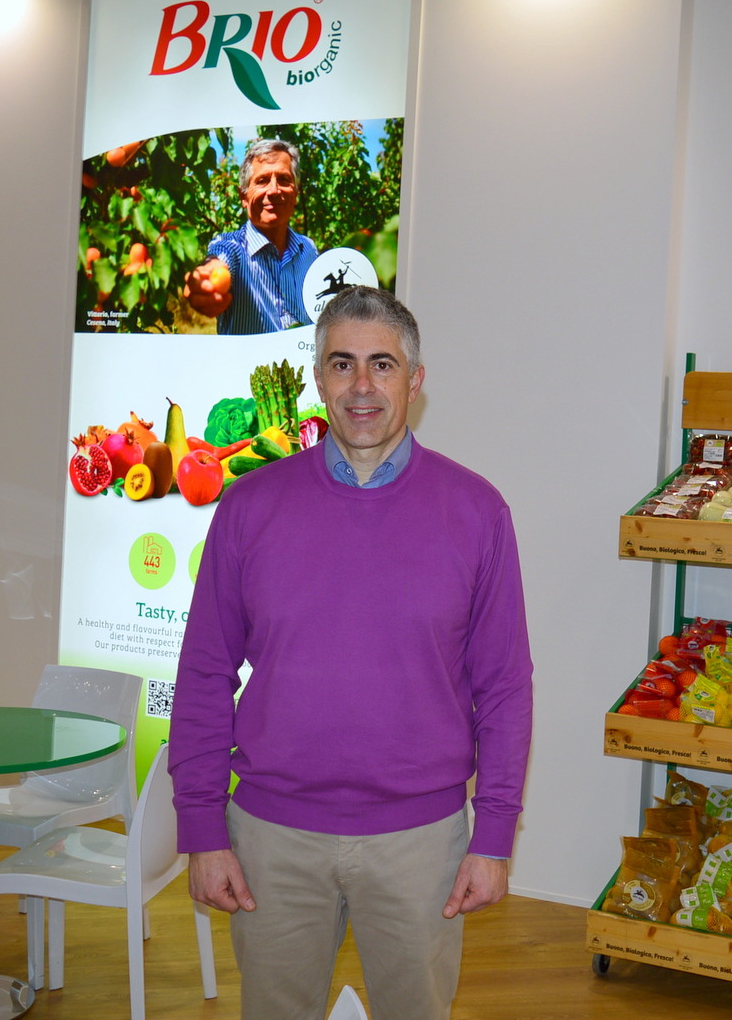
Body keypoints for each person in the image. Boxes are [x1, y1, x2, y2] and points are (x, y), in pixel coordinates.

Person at [168, 285, 533, 1020]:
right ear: (318, 378)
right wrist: (202, 829)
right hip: (271, 838)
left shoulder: (477, 512)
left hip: (421, 843)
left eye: (382, 365)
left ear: (414, 380)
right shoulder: (249, 506)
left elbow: (504, 686)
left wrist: (493, 836)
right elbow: (204, 672)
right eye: (342, 364)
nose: (362, 385)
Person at [182, 138, 319, 334]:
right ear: (243, 197)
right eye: (262, 181)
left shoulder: (309, 250)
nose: (273, 190)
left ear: (296, 193)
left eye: (283, 179)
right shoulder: (230, 246)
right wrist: (206, 280)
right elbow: (217, 262)